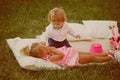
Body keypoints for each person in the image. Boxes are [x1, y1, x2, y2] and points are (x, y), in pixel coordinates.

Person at [21, 42, 114, 67]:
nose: (47, 48)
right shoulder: (50, 58)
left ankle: (105, 54)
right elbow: (61, 55)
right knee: (91, 57)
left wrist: (44, 46)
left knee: (89, 53)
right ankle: (109, 58)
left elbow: (42, 45)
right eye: (44, 49)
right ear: (42, 55)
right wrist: (53, 50)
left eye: (44, 46)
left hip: (72, 53)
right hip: (73, 59)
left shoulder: (47, 51)